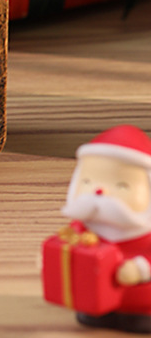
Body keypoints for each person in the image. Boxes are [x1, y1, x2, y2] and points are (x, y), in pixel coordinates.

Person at [53, 124, 151, 332]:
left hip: (139, 299)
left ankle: (137, 314)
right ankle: (98, 311)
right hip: (94, 296)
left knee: (137, 319)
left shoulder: (144, 233)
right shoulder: (84, 227)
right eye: (87, 181)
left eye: (122, 186)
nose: (99, 191)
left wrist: (139, 268)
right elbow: (69, 243)